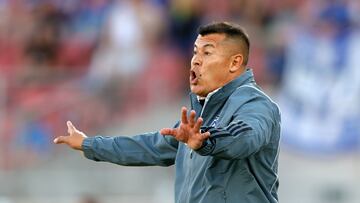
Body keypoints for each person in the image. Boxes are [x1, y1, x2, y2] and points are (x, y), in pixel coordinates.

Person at [54, 22, 281, 203]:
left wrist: (205, 142)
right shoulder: (200, 119)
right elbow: (147, 147)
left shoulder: (255, 104)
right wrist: (89, 144)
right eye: (195, 52)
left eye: (207, 53)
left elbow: (245, 138)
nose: (196, 60)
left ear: (234, 63)